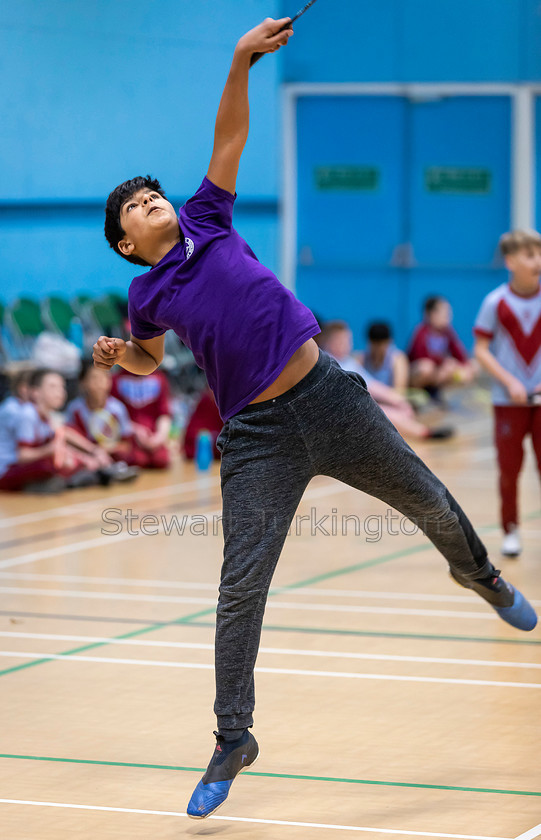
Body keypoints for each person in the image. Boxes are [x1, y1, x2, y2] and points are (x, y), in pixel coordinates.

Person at [93, 17, 537, 820]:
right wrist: (122, 355)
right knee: (239, 590)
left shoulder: (206, 218)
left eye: (152, 193)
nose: (150, 201)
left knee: (430, 502)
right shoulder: (145, 296)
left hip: (329, 398)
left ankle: (479, 574)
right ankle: (234, 738)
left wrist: (239, 58)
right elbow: (152, 358)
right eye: (136, 207)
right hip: (258, 439)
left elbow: (229, 131)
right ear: (127, 244)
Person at [474, 229, 541, 557]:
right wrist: (509, 382)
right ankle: (510, 531)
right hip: (507, 402)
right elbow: (482, 350)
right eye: (530, 255)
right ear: (511, 261)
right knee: (509, 470)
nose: (538, 261)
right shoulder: (495, 302)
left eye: (540, 253)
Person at [320, 321, 453, 440]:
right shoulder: (335, 362)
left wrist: (399, 400)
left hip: (366, 404)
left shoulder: (350, 361)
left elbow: (375, 386)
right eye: (342, 341)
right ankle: (424, 433)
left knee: (395, 412)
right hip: (350, 411)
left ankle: (416, 432)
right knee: (383, 413)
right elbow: (371, 387)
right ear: (329, 342)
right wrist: (397, 400)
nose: (348, 344)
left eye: (348, 340)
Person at [0, 369, 110, 492]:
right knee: (51, 463)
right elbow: (23, 455)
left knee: (65, 452)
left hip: (22, 466)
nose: (60, 392)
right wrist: (52, 450)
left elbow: (64, 434)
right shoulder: (27, 415)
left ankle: (66, 479)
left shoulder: (47, 415)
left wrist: (90, 453)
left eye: (62, 387)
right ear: (35, 392)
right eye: (53, 387)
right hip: (6, 471)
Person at [66, 360, 139, 480]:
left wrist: (106, 449)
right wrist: (92, 451)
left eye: (103, 378)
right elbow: (70, 439)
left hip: (111, 453)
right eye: (94, 378)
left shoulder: (117, 408)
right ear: (83, 382)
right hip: (87, 453)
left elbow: (126, 444)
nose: (99, 383)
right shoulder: (74, 409)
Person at [408, 296, 476, 399]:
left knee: (470, 367)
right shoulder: (421, 332)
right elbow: (420, 356)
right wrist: (444, 361)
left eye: (449, 313)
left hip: (437, 371)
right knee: (426, 367)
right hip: (418, 373)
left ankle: (436, 393)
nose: (448, 316)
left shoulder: (447, 332)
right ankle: (417, 394)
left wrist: (465, 367)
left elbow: (460, 354)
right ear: (431, 314)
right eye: (445, 312)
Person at [111, 368, 171, 469]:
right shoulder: (116, 379)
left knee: (161, 459)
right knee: (138, 460)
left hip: (153, 435)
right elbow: (114, 414)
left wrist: (159, 437)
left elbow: (164, 413)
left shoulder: (159, 378)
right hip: (129, 436)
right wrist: (135, 430)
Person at [360, 321, 409, 392]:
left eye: (380, 344)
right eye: (374, 343)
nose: (377, 349)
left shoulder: (398, 359)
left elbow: (400, 390)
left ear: (389, 342)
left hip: (391, 400)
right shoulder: (362, 359)